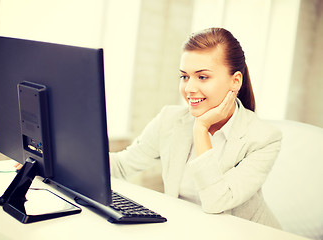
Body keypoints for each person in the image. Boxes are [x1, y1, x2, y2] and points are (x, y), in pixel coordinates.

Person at [109, 27, 282, 228]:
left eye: (202, 77)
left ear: (235, 81)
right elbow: (122, 165)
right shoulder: (169, 119)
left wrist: (201, 129)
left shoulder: (264, 138)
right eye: (184, 76)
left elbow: (216, 202)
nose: (189, 88)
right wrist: (71, 157)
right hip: (185, 228)